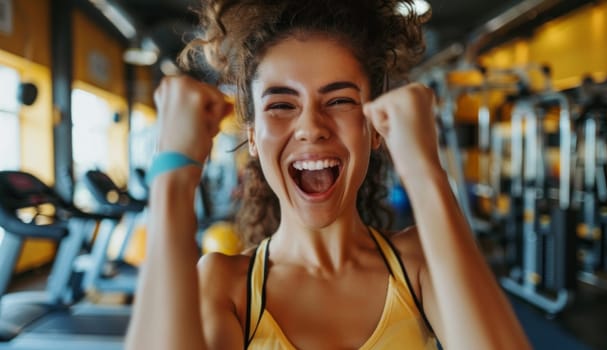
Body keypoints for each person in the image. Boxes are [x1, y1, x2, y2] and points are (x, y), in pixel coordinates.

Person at [125, 0, 531, 349]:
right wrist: (173, 178)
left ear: (373, 129)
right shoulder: (225, 287)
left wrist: (425, 169)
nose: (310, 126)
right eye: (281, 105)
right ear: (252, 137)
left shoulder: (418, 265)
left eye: (339, 100)